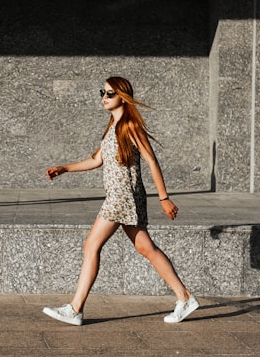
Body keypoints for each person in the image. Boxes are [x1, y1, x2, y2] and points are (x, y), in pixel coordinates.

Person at [42, 76, 197, 325]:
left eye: (110, 93)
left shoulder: (129, 126)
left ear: (122, 96)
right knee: (146, 248)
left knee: (91, 245)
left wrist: (164, 198)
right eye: (102, 92)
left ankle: (75, 309)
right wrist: (64, 168)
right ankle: (184, 297)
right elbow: (96, 160)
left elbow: (151, 161)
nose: (104, 97)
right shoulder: (113, 127)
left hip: (123, 196)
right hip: (120, 196)